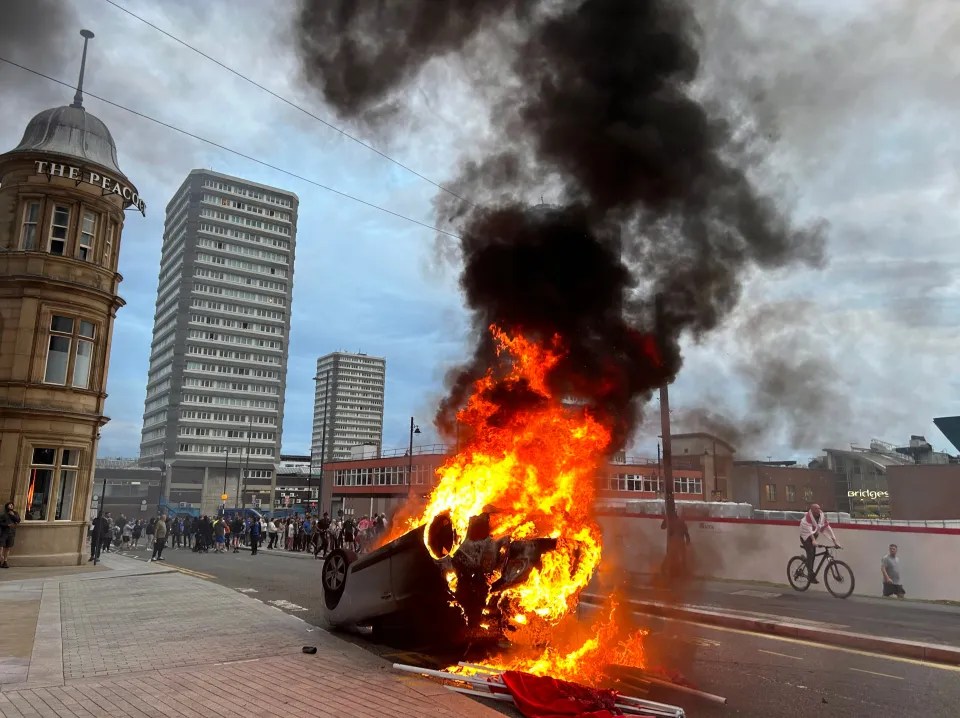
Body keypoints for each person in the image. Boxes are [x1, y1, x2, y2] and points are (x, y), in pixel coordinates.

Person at [799, 503, 840, 584]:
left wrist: (835, 541)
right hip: (805, 536)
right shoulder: (808, 517)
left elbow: (828, 528)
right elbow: (808, 530)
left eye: (819, 508)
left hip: (814, 534)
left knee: (813, 555)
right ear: (812, 510)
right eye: (816, 509)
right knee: (811, 554)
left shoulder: (821, 516)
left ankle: (806, 560)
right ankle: (810, 575)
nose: (819, 510)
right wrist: (813, 540)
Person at [0, 502, 22, 568]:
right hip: (3, 533)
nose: (11, 506)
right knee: (1, 547)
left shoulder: (15, 513)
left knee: (8, 548)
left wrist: (13, 515)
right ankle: (0, 559)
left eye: (12, 505)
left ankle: (5, 562)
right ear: (7, 506)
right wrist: (7, 525)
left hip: (11, 533)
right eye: (10, 505)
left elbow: (18, 520)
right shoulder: (3, 514)